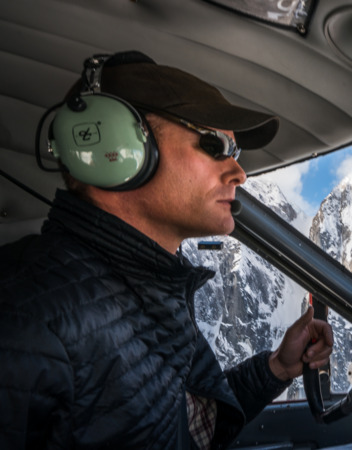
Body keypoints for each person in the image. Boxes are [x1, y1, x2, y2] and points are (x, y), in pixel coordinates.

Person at [0, 51, 334, 449]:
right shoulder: (24, 316)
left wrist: (277, 367)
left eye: (235, 151)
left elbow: (185, 427)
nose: (239, 172)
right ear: (118, 147)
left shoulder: (151, 283)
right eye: (214, 146)